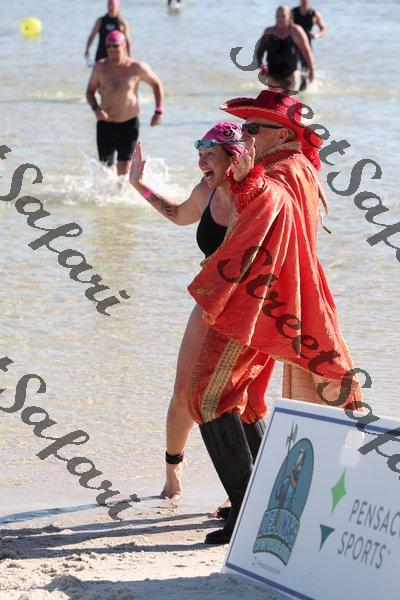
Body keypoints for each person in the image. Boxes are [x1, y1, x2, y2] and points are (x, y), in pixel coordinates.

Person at [186, 89, 362, 544]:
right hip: (279, 301)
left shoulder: (284, 171)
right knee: (244, 403)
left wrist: (248, 182)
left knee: (207, 398)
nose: (244, 135)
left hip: (259, 304)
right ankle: (261, 499)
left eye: (253, 128)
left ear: (282, 134)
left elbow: (274, 200)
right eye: (243, 127)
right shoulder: (297, 166)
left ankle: (248, 511)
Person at [128, 123, 271, 502]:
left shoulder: (256, 197)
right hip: (210, 302)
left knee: (234, 395)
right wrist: (139, 185)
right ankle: (172, 473)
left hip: (250, 306)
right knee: (183, 391)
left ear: (234, 157)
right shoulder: (205, 192)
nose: (202, 161)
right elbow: (178, 215)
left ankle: (243, 491)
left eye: (210, 154)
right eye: (200, 154)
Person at [86, 31, 164, 177]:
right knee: (106, 170)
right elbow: (90, 92)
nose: (113, 54)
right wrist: (95, 109)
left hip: (129, 125)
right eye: (109, 50)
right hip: (105, 125)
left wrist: (158, 111)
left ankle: (123, 191)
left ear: (124, 47)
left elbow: (156, 84)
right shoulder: (100, 67)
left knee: (124, 170)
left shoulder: (137, 67)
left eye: (116, 49)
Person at [256, 6, 314, 91]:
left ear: (289, 17)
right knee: (273, 97)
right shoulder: (268, 32)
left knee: (286, 96)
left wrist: (311, 70)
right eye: (278, 16)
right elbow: (259, 51)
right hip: (273, 72)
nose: (280, 18)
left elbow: (307, 52)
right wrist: (261, 65)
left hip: (292, 72)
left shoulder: (296, 31)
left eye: (283, 16)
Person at [292, 0, 326, 90]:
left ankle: (301, 95)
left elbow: (323, 29)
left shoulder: (314, 14)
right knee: (291, 70)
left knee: (304, 74)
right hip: (293, 45)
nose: (304, 1)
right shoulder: (293, 12)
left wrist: (316, 35)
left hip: (306, 46)